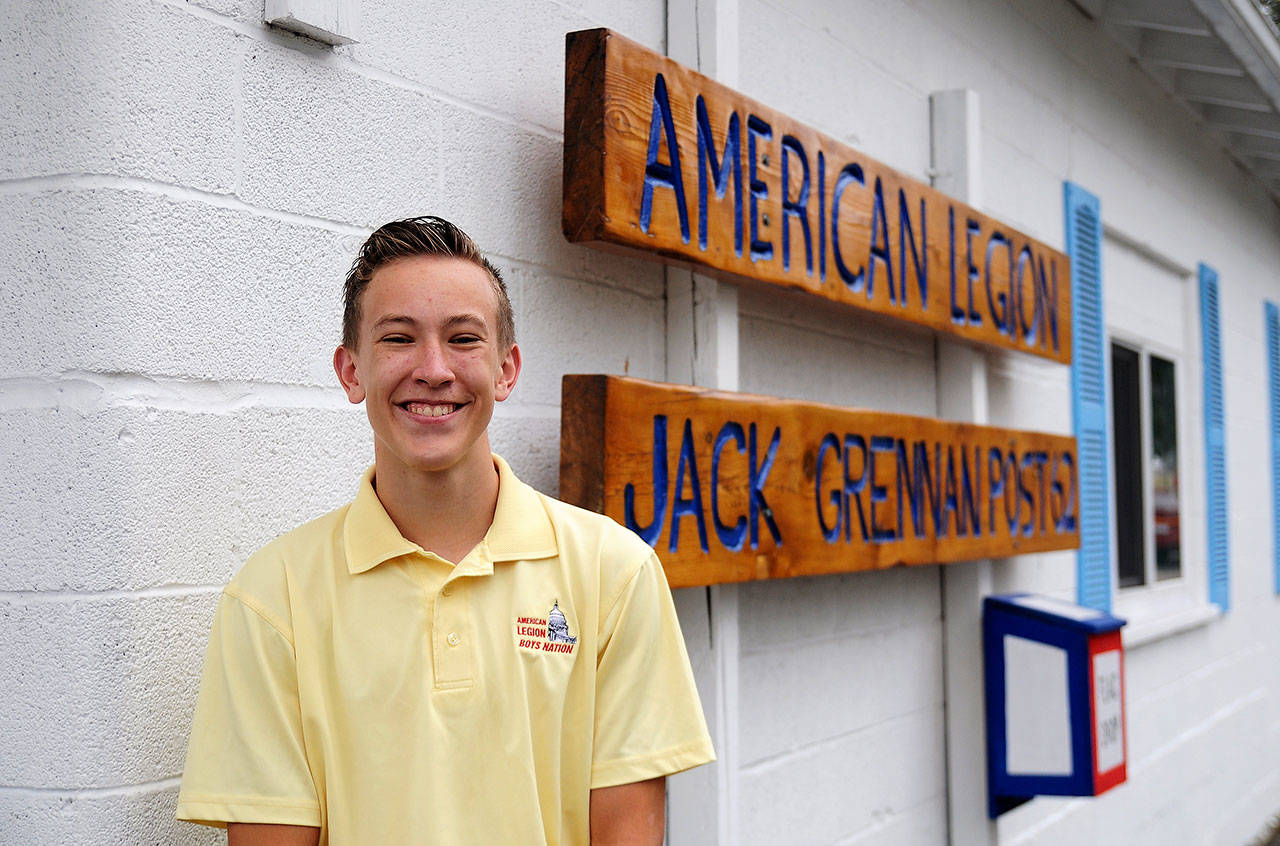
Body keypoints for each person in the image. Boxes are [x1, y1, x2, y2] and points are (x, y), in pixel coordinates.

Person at [176, 217, 715, 845]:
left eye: (463, 338)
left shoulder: (614, 573)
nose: (433, 369)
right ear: (351, 372)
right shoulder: (273, 600)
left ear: (507, 370)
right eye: (398, 338)